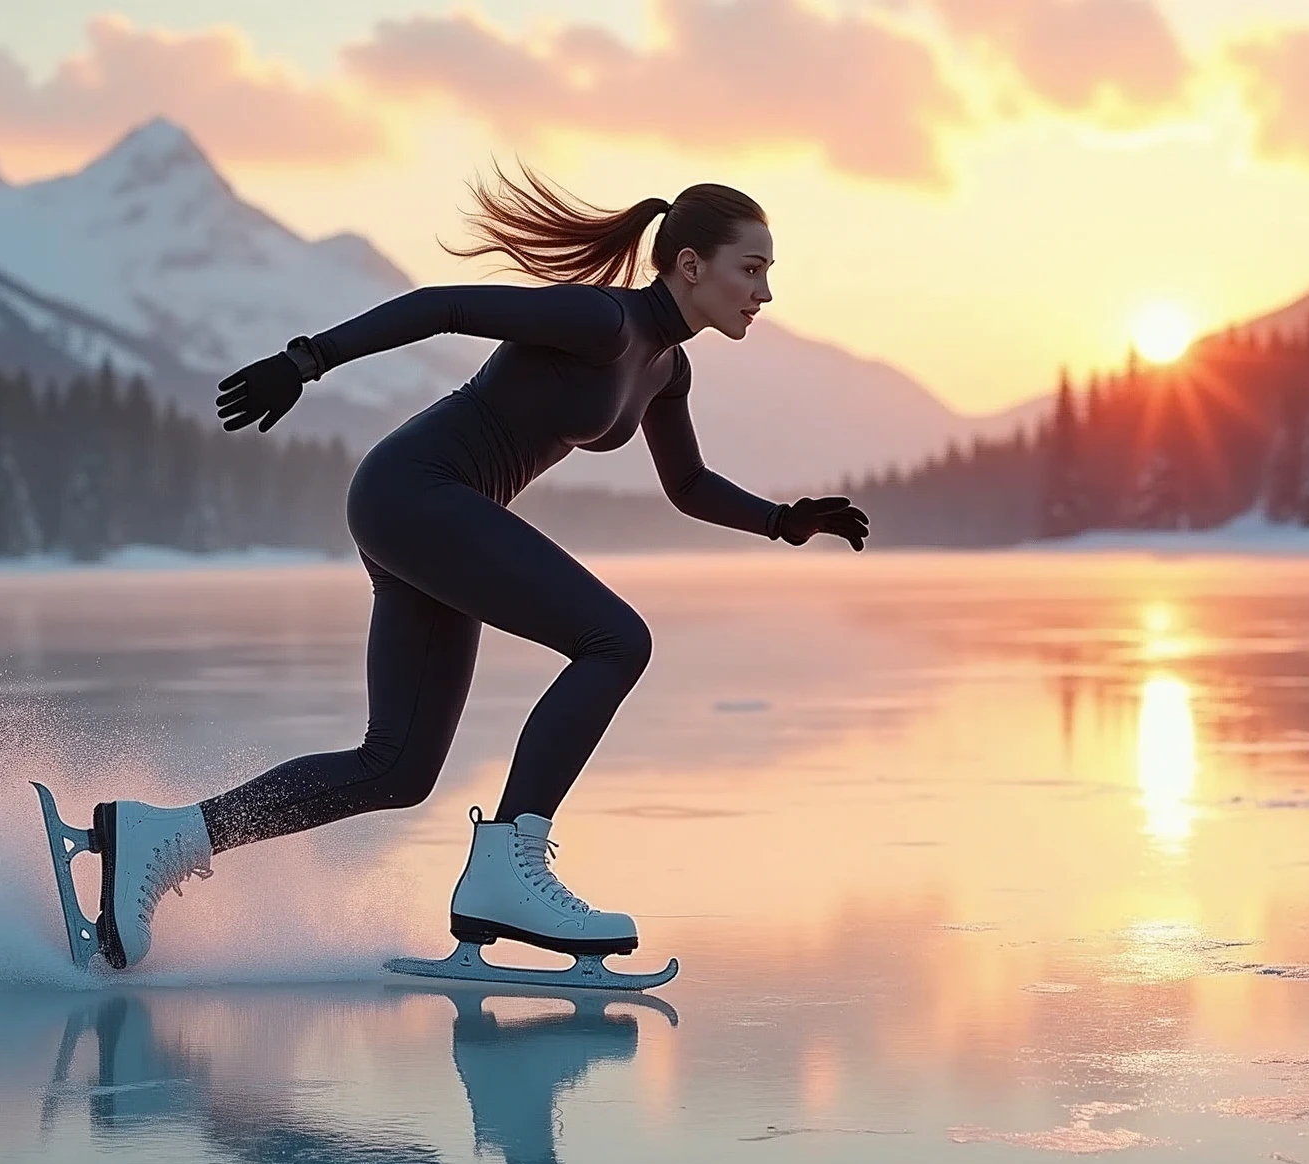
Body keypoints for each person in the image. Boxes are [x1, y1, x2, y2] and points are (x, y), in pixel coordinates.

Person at [88, 165, 869, 970]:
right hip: (418, 492)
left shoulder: (666, 367)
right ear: (691, 265)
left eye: (768, 273)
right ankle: (509, 862)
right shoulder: (603, 318)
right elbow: (445, 305)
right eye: (753, 268)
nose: (765, 293)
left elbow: (689, 486)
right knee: (615, 640)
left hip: (433, 512)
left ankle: (167, 837)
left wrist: (783, 521)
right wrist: (304, 360)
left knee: (395, 768)